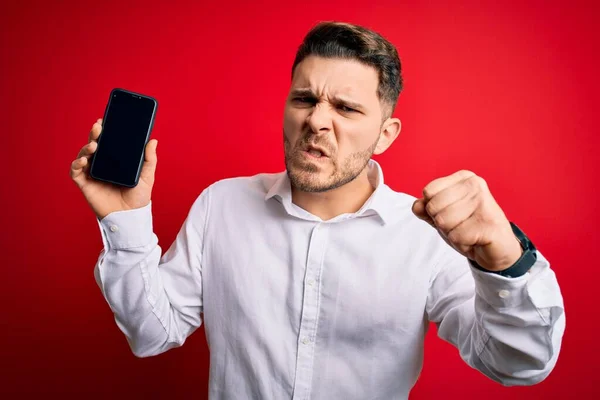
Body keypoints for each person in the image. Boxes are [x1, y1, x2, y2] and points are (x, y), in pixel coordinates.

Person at [70, 21, 565, 400]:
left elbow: (517, 363)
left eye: (346, 109)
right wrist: (124, 219)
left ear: (385, 134)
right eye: (304, 99)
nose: (317, 121)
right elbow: (151, 334)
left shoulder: (425, 237)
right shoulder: (221, 205)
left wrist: (505, 262)